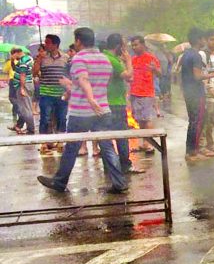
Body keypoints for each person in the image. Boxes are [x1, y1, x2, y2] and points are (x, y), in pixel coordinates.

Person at [37, 28, 127, 194]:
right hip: (103, 110)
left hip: (81, 112)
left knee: (71, 147)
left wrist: (76, 89)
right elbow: (97, 83)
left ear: (78, 41)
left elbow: (84, 79)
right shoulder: (104, 59)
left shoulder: (79, 59)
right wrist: (79, 89)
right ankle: (119, 182)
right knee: (107, 147)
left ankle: (59, 182)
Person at [179, 28, 214, 161]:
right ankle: (193, 151)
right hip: (196, 93)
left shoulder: (186, 54)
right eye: (203, 38)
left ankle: (190, 150)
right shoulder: (196, 55)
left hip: (188, 91)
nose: (204, 41)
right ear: (199, 40)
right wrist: (213, 74)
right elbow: (197, 76)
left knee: (193, 121)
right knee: (197, 122)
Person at [102, 34, 137, 173]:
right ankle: (124, 165)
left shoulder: (109, 58)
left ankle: (109, 166)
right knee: (121, 136)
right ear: (117, 46)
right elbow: (128, 76)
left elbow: (129, 78)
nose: (125, 48)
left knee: (105, 137)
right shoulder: (112, 60)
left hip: (107, 102)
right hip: (115, 103)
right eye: (123, 46)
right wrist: (129, 61)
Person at [34, 34, 68, 153]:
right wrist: (38, 59)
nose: (45, 44)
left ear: (55, 45)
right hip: (46, 93)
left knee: (61, 118)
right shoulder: (41, 58)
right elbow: (35, 73)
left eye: (48, 42)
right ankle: (44, 142)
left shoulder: (66, 58)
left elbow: (68, 75)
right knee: (45, 118)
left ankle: (60, 141)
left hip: (61, 94)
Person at [129, 36, 161, 152]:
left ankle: (149, 144)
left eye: (136, 44)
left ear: (143, 45)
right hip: (134, 92)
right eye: (132, 45)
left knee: (147, 119)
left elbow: (160, 74)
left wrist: (154, 69)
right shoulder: (133, 60)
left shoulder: (151, 58)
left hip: (147, 93)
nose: (134, 47)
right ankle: (144, 142)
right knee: (140, 120)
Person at [9, 47, 35, 135]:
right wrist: (12, 60)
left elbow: (22, 75)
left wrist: (22, 88)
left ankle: (30, 130)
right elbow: (15, 69)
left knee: (26, 109)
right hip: (26, 84)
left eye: (12, 55)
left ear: (16, 53)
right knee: (25, 107)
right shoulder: (25, 59)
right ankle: (21, 126)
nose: (12, 57)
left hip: (24, 85)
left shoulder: (23, 61)